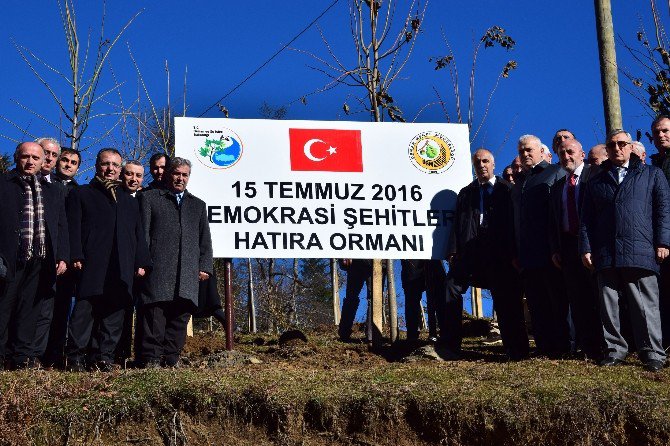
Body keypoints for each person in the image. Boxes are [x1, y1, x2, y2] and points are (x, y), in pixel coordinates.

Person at [580, 129, 670, 372]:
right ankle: (614, 349)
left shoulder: (652, 174)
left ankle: (652, 352)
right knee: (608, 303)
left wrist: (663, 242)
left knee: (645, 303)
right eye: (612, 145)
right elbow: (587, 218)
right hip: (606, 250)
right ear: (607, 149)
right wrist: (586, 247)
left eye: (622, 144)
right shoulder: (596, 181)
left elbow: (663, 211)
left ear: (631, 147)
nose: (617, 148)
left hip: (641, 247)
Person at [65, 148, 151, 372]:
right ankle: (75, 356)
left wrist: (141, 262)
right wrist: (76, 254)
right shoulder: (82, 193)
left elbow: (137, 234)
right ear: (97, 165)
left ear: (120, 169)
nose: (110, 169)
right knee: (85, 310)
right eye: (106, 164)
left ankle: (103, 357)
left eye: (115, 165)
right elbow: (73, 227)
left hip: (122, 264)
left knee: (114, 313)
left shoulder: (129, 201)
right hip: (92, 261)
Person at [449, 148, 529, 360]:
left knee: (506, 301)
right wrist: (454, 251)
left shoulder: (507, 189)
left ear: (493, 165)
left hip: (500, 253)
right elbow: (457, 224)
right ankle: (450, 345)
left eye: (485, 161)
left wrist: (516, 252)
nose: (482, 165)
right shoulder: (465, 193)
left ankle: (517, 350)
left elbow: (516, 223)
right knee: (451, 289)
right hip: (470, 251)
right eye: (477, 163)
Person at [138, 157, 213, 368]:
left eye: (185, 175)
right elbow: (143, 235)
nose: (180, 178)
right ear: (168, 174)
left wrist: (205, 266)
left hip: (187, 272)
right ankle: (151, 360)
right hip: (158, 269)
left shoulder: (198, 205)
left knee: (180, 318)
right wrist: (142, 262)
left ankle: (171, 360)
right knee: (155, 317)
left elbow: (204, 239)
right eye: (176, 173)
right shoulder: (150, 198)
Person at [0, 142, 69, 369]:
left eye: (35, 158)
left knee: (30, 310)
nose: (30, 162)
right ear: (17, 157)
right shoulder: (4, 184)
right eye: (25, 157)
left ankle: (21, 357)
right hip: (10, 256)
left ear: (43, 162)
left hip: (40, 258)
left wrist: (62, 256)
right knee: (4, 306)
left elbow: (61, 225)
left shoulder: (53, 190)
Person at [512, 134, 568, 358]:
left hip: (550, 250)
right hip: (527, 254)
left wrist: (558, 246)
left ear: (539, 151)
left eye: (529, 150)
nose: (525, 154)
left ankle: (564, 346)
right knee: (536, 303)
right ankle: (544, 347)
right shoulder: (520, 183)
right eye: (521, 151)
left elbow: (561, 211)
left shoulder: (555, 172)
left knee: (558, 300)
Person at [549, 139, 603, 360]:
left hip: (595, 245)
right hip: (569, 248)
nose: (566, 157)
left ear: (582, 154)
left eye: (570, 152)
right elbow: (554, 220)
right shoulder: (558, 186)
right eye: (561, 154)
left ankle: (606, 346)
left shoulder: (596, 175)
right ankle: (587, 347)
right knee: (577, 299)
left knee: (600, 297)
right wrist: (555, 248)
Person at [38, 148, 81, 368]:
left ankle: (55, 356)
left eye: (73, 162)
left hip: (69, 260)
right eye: (64, 160)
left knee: (63, 309)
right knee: (42, 307)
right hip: (44, 254)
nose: (67, 164)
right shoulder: (45, 185)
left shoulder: (79, 191)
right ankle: (37, 354)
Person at [650, 114, 670, 349]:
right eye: (656, 132)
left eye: (665, 131)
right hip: (659, 238)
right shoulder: (653, 165)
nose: (661, 135)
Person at [337, 259, 386, 342]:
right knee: (351, 298)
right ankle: (344, 333)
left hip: (377, 261)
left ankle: (371, 335)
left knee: (374, 298)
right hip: (357, 262)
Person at [400, 260, 445, 343]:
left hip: (433, 259)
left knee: (440, 294)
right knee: (412, 297)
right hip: (412, 261)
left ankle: (444, 333)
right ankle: (412, 337)